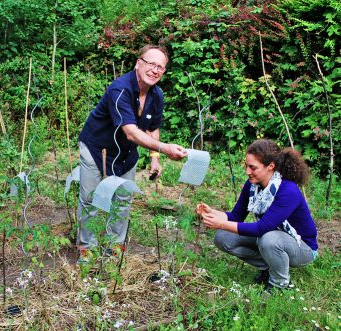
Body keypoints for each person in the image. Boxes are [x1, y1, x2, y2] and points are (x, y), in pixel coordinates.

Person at [77, 44, 187, 263]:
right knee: (91, 200)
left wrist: (154, 158)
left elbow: (152, 126)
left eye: (161, 67)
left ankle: (113, 248)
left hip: (126, 154)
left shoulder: (156, 95)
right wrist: (164, 149)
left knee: (123, 200)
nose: (155, 70)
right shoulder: (120, 89)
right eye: (151, 64)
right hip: (97, 148)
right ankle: (86, 250)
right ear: (138, 63)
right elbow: (130, 132)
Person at [197, 139, 318, 291]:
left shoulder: (288, 190)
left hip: (303, 248)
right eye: (246, 166)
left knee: (269, 239)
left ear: (270, 166)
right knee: (223, 237)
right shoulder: (253, 185)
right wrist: (212, 213)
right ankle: (270, 267)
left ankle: (279, 284)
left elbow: (262, 228)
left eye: (253, 167)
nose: (247, 171)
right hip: (272, 237)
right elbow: (236, 216)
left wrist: (220, 223)